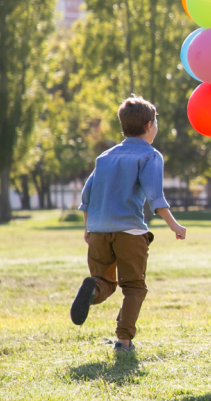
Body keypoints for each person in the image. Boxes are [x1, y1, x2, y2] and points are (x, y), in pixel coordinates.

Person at [70, 96, 187, 353]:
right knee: (133, 287)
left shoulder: (105, 156)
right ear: (149, 125)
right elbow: (155, 196)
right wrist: (175, 225)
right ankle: (123, 341)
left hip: (98, 230)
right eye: (156, 122)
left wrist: (88, 227)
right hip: (129, 232)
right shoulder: (150, 155)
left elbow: (86, 196)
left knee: (103, 281)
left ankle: (92, 290)